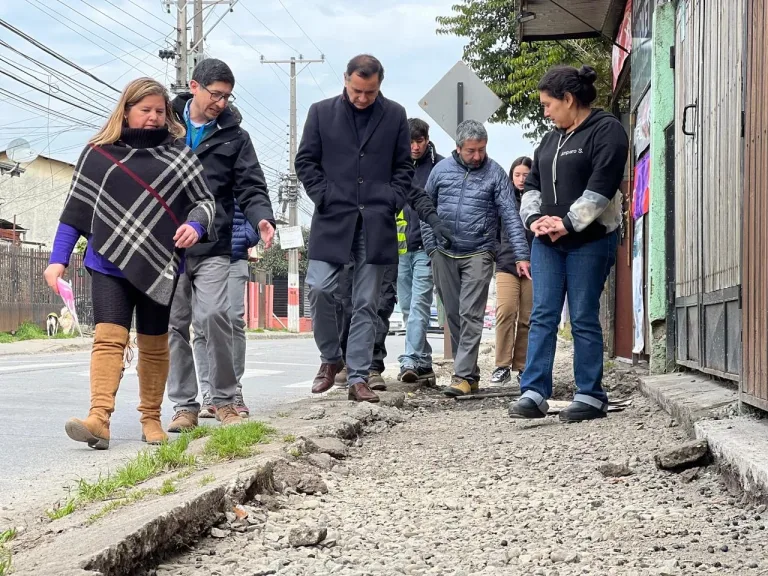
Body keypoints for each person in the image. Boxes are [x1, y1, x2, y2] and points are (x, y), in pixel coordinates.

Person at [43, 77, 215, 450]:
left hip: (160, 263)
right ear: (126, 111)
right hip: (107, 262)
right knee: (108, 338)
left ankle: (151, 418)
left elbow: (204, 203)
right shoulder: (98, 153)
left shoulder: (179, 156)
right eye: (145, 110)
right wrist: (58, 261)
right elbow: (74, 212)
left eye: (159, 111)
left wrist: (195, 225)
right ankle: (99, 418)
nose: (153, 117)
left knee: (154, 343)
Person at [508, 65, 628, 423]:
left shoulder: (607, 131)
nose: (545, 112)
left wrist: (569, 222)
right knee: (542, 314)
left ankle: (590, 395)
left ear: (569, 99)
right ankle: (533, 392)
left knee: (582, 316)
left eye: (548, 104)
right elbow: (532, 186)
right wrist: (535, 221)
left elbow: (603, 185)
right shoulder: (549, 140)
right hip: (547, 242)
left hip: (590, 240)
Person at [296, 54, 414, 403]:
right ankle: (331, 357)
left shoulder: (394, 115)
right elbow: (306, 161)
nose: (362, 98)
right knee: (318, 288)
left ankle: (359, 377)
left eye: (370, 92)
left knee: (366, 302)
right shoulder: (321, 112)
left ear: (380, 85)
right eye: (357, 90)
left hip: (376, 222)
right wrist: (324, 195)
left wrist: (391, 199)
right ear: (345, 80)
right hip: (334, 218)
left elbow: (404, 167)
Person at [166, 58, 276, 432]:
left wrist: (262, 216)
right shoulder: (165, 128)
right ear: (194, 87)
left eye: (227, 97)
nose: (221, 103)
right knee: (175, 326)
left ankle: (226, 399)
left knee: (216, 316)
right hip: (167, 246)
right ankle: (184, 406)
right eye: (216, 94)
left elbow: (251, 185)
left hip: (213, 243)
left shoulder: (235, 137)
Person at [422, 119, 531, 397]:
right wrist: (431, 248)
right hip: (443, 252)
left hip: (480, 251)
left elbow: (510, 216)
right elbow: (425, 208)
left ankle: (460, 376)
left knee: (471, 312)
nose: (478, 156)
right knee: (454, 313)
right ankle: (470, 374)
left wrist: (521, 255)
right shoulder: (440, 170)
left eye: (482, 149)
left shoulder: (495, 174)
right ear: (458, 148)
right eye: (471, 150)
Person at [195, 199, 259, 419]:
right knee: (202, 325)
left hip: (233, 255)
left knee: (233, 320)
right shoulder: (192, 167)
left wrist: (243, 237)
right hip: (199, 254)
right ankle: (208, 394)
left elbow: (256, 204)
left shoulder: (240, 166)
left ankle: (234, 391)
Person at [396, 118, 444, 384]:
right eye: (410, 142)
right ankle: (424, 361)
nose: (415, 147)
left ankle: (410, 360)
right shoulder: (394, 164)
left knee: (419, 305)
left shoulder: (440, 166)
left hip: (427, 247)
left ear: (427, 139)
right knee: (406, 307)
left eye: (419, 141)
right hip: (400, 246)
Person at [491, 156, 534, 386]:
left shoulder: (538, 200)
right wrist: (498, 253)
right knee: (506, 311)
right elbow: (494, 230)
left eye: (525, 175)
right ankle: (501, 365)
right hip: (506, 264)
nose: (520, 179)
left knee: (528, 317)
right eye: (517, 175)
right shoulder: (503, 200)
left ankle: (522, 367)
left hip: (534, 265)